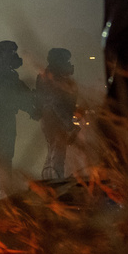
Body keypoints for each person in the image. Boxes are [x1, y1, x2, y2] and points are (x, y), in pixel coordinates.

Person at [0, 40, 36, 192]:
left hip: (7, 116)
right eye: (10, 52)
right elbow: (7, 94)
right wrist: (29, 107)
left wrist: (32, 104)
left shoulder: (9, 72)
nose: (13, 55)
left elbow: (21, 93)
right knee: (1, 153)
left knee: (7, 153)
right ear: (1, 53)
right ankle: (2, 187)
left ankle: (5, 186)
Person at [35, 48, 79, 180]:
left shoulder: (48, 76)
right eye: (65, 60)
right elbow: (55, 102)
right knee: (58, 153)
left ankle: (49, 180)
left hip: (51, 119)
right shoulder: (52, 78)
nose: (68, 63)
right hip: (55, 120)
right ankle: (55, 181)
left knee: (53, 151)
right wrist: (69, 124)